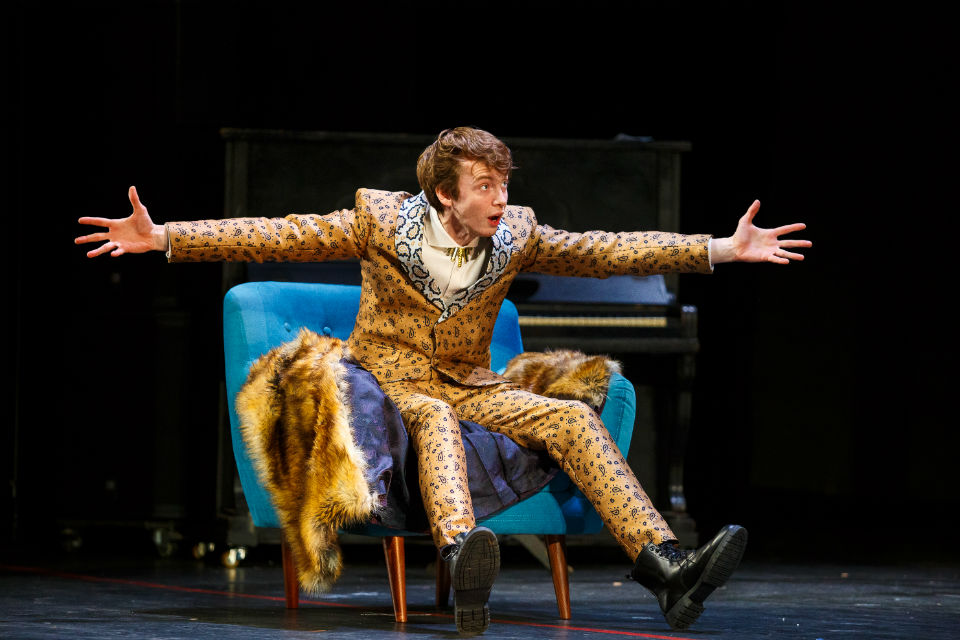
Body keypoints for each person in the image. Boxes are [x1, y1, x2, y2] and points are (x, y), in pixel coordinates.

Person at [75, 127, 811, 634]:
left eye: (504, 184)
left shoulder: (515, 233)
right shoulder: (378, 221)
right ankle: (463, 558)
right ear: (443, 194)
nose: (500, 198)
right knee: (431, 415)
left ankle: (667, 570)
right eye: (485, 186)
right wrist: (164, 237)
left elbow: (605, 250)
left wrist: (719, 249)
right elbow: (275, 232)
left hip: (470, 381)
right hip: (383, 387)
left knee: (571, 418)